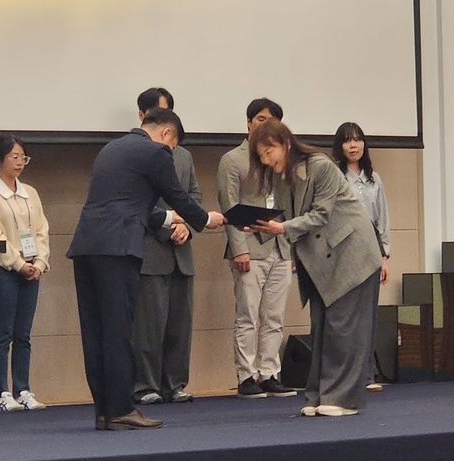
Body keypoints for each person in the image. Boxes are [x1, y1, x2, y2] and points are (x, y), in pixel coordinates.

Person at [67, 108, 225, 430]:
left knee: (95, 332)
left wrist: (174, 218)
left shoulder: (111, 149)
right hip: (119, 248)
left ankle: (104, 411)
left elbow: (132, 204)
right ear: (166, 133)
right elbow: (177, 196)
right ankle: (122, 409)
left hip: (87, 245)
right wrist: (205, 219)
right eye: (173, 145)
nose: (171, 152)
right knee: (118, 330)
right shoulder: (155, 152)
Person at [249, 119, 382, 417]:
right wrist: (259, 225)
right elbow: (286, 219)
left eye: (268, 152)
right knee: (322, 327)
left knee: (345, 329)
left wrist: (282, 228)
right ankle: (319, 395)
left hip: (352, 255)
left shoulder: (320, 166)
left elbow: (321, 214)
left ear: (286, 144)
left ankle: (344, 399)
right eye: (261, 156)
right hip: (320, 261)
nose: (266, 160)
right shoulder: (281, 178)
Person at [217, 98, 296, 398]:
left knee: (274, 316)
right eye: (261, 119)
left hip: (280, 246)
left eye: (272, 121)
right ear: (249, 122)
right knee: (248, 315)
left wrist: (292, 248)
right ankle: (246, 375)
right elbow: (229, 206)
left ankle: (269, 372)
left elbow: (291, 205)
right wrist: (239, 249)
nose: (266, 125)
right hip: (249, 246)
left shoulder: (282, 158)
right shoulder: (232, 160)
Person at [132, 88, 200, 405]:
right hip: (151, 249)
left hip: (182, 253)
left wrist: (186, 225)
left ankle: (175, 383)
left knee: (179, 324)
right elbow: (137, 202)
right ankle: (145, 386)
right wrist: (166, 227)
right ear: (143, 116)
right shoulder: (135, 153)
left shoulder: (183, 156)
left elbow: (194, 195)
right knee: (149, 325)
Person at [0, 135, 50, 412]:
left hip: (31, 269)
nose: (19, 163)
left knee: (24, 334)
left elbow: (41, 230)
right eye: (14, 157)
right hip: (4, 270)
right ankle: (1, 394)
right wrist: (18, 264)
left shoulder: (30, 193)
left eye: (23, 158)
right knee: (3, 332)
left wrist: (39, 262)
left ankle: (23, 389)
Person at [333, 122, 390, 392]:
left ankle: (367, 374)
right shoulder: (335, 176)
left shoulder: (374, 179)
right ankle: (346, 376)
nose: (353, 145)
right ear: (340, 146)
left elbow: (382, 219)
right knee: (347, 318)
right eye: (347, 140)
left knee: (368, 317)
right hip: (344, 253)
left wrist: (384, 256)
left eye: (357, 140)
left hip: (371, 252)